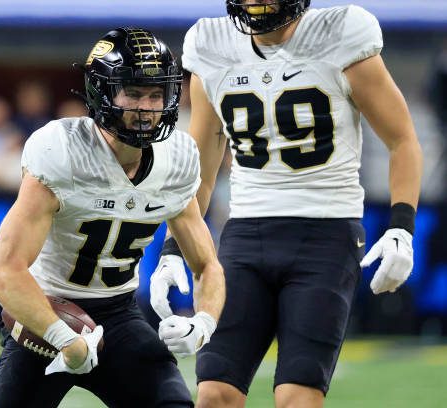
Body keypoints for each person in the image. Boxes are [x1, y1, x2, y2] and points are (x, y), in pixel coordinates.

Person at [150, 1, 423, 407]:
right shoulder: (211, 44)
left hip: (325, 233)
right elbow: (202, 167)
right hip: (245, 235)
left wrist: (402, 225)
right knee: (214, 393)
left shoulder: (340, 35)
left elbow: (402, 139)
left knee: (297, 396)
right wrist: (175, 248)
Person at [0, 27, 225, 407]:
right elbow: (5, 273)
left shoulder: (176, 158)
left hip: (119, 313)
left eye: (155, 94)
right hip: (47, 311)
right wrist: (67, 340)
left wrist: (203, 323)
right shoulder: (62, 151)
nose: (146, 107)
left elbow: (208, 265)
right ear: (103, 92)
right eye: (133, 92)